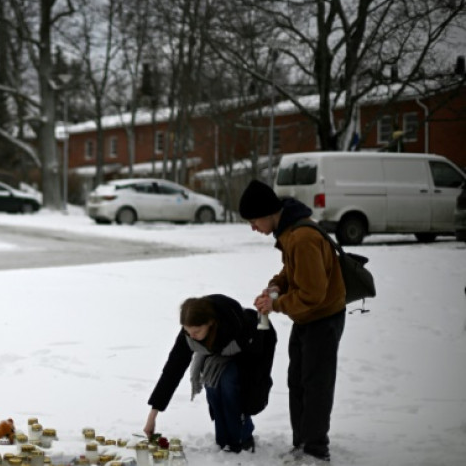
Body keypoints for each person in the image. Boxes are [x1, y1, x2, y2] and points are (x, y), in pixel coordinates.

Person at [241, 179, 346, 463]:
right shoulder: (290, 230)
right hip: (308, 318)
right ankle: (302, 443)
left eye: (253, 221)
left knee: (315, 384)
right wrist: (276, 286)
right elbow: (292, 271)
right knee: (298, 380)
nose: (253, 228)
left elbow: (312, 293)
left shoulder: (301, 237)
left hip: (322, 318)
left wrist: (276, 304)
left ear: (267, 213)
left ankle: (314, 450)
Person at [143, 294, 269, 453]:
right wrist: (152, 416)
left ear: (210, 323)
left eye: (196, 331)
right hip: (216, 354)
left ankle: (242, 438)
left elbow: (256, 361)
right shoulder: (189, 335)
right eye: (187, 331)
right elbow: (171, 372)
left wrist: (251, 398)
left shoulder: (236, 324)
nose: (191, 336)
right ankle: (224, 440)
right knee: (213, 384)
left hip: (249, 350)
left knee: (229, 383)